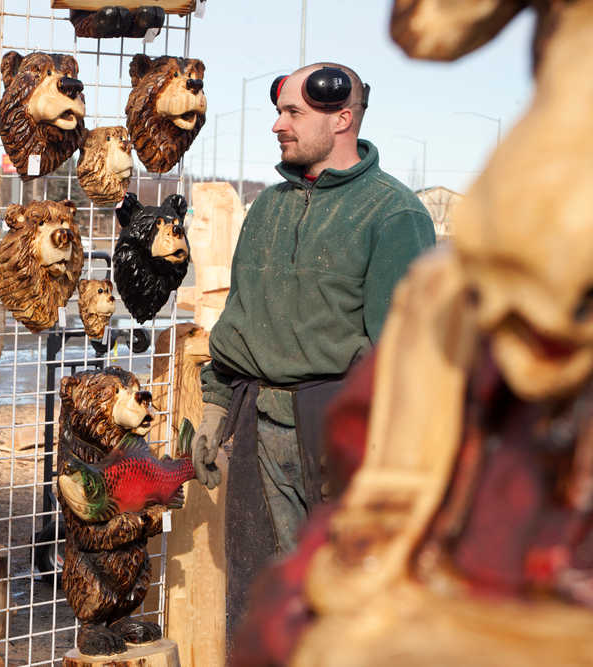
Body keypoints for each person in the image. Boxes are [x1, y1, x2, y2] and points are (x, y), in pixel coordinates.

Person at [191, 62, 436, 633]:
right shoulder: (270, 209)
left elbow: (407, 357)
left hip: (339, 432)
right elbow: (239, 324)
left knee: (344, 607)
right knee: (264, 599)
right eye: (280, 111)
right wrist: (214, 410)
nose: (278, 125)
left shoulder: (392, 215)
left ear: (342, 118)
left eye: (293, 113)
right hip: (259, 426)